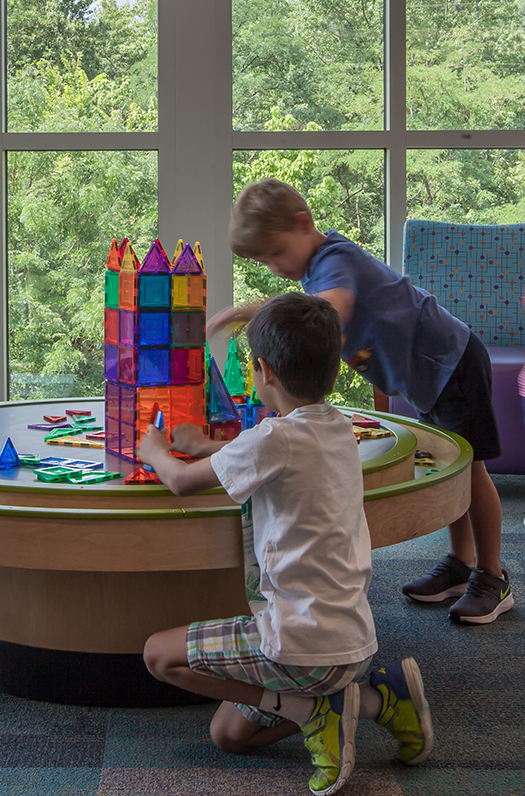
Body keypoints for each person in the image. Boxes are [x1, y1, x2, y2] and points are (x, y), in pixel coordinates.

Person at [138, 293, 432, 796]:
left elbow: (183, 484)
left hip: (298, 646)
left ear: (263, 371)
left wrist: (157, 452)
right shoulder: (337, 427)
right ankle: (378, 698)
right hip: (353, 640)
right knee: (228, 735)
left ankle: (312, 710)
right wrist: (209, 448)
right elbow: (270, 452)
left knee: (158, 655)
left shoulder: (271, 440)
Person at [212, 178, 511, 625]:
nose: (274, 266)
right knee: (454, 465)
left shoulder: (336, 260)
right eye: (263, 260)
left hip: (452, 362)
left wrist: (250, 311)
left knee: (470, 469)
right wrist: (385, 411)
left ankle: (493, 576)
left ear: (304, 223)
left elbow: (326, 314)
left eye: (276, 252)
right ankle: (460, 563)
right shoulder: (317, 274)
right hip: (427, 375)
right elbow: (369, 351)